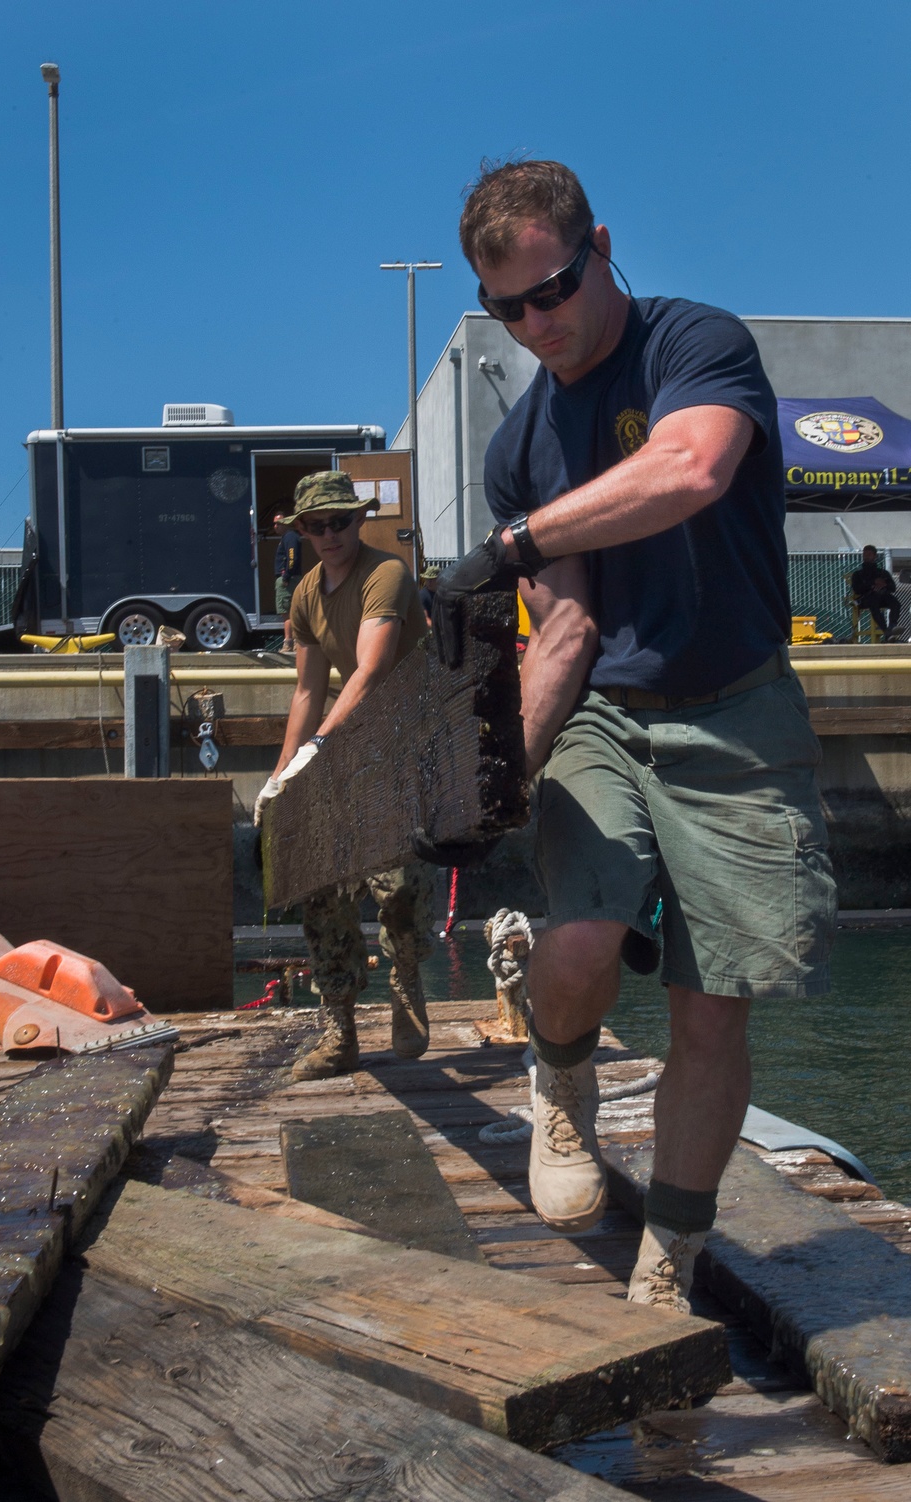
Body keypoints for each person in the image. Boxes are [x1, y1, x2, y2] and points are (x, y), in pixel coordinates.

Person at [429, 160, 836, 1312]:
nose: (537, 324)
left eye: (551, 291)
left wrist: (508, 545)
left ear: (599, 245)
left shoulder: (691, 342)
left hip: (737, 708)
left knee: (712, 1009)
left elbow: (691, 465)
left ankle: (671, 1258)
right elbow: (562, 636)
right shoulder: (521, 443)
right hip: (608, 707)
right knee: (579, 942)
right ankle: (559, 1074)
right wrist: (486, 786)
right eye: (507, 309)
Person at [254, 471, 435, 1080]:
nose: (328, 534)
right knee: (319, 884)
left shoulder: (387, 574)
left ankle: (406, 977)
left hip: (403, 746)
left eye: (339, 521)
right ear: (300, 531)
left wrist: (318, 749)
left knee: (398, 888)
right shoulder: (305, 592)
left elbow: (370, 670)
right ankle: (340, 1030)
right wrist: (281, 775)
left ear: (359, 521)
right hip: (341, 752)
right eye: (315, 525)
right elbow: (307, 689)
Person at [851, 545, 901, 641]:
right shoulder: (858, 574)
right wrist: (872, 584)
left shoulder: (883, 573)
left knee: (895, 603)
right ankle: (886, 631)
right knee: (874, 601)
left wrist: (884, 585)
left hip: (882, 597)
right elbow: (857, 589)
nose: (866, 557)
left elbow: (893, 588)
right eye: (865, 554)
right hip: (865, 599)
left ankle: (892, 627)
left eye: (869, 554)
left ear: (875, 556)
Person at [273, 511, 303, 651]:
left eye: (278, 523)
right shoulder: (287, 537)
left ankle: (289, 643)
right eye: (274, 524)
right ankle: (295, 642)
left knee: (288, 613)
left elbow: (292, 557)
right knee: (290, 612)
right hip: (289, 578)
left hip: (288, 580)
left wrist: (286, 577)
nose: (275, 526)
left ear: (286, 523)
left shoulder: (290, 537)